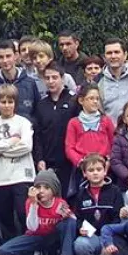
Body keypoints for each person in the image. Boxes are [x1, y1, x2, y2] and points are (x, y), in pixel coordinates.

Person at [0, 84, 37, 246]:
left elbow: (26, 146)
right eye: (3, 102)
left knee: (22, 213)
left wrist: (1, 151)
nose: (7, 105)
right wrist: (11, 142)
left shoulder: (23, 123)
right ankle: (10, 249)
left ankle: (28, 247)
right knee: (3, 215)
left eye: (10, 102)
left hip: (21, 175)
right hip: (0, 177)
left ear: (15, 103)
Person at [0, 169, 77, 255]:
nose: (41, 191)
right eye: (38, 187)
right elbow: (32, 227)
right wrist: (34, 205)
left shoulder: (59, 203)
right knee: (4, 250)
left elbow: (73, 221)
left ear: (54, 190)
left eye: (46, 188)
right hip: (35, 237)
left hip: (53, 239)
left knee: (69, 222)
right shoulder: (30, 202)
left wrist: (68, 215)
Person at [69, 153, 123, 255]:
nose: (95, 173)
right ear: (84, 174)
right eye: (91, 170)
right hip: (91, 236)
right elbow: (78, 217)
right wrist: (80, 228)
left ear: (105, 172)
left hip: (109, 238)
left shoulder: (115, 191)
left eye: (99, 169)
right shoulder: (81, 193)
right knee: (80, 244)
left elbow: (117, 219)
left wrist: (108, 242)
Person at [33, 62, 77, 194]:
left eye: (54, 77)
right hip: (48, 161)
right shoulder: (41, 105)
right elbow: (38, 135)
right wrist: (39, 158)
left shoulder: (73, 101)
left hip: (69, 161)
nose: (51, 81)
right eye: (47, 78)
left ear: (62, 79)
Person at [64, 83, 115, 196]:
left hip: (103, 169)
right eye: (91, 98)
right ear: (81, 100)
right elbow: (69, 148)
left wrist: (108, 161)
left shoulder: (105, 121)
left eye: (97, 98)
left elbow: (113, 143)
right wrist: (81, 162)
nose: (95, 101)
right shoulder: (74, 123)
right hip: (83, 170)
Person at [0, 40, 39, 122]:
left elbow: (38, 113)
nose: (5, 61)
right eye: (1, 57)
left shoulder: (30, 83)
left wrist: (26, 126)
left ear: (16, 56)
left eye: (8, 56)